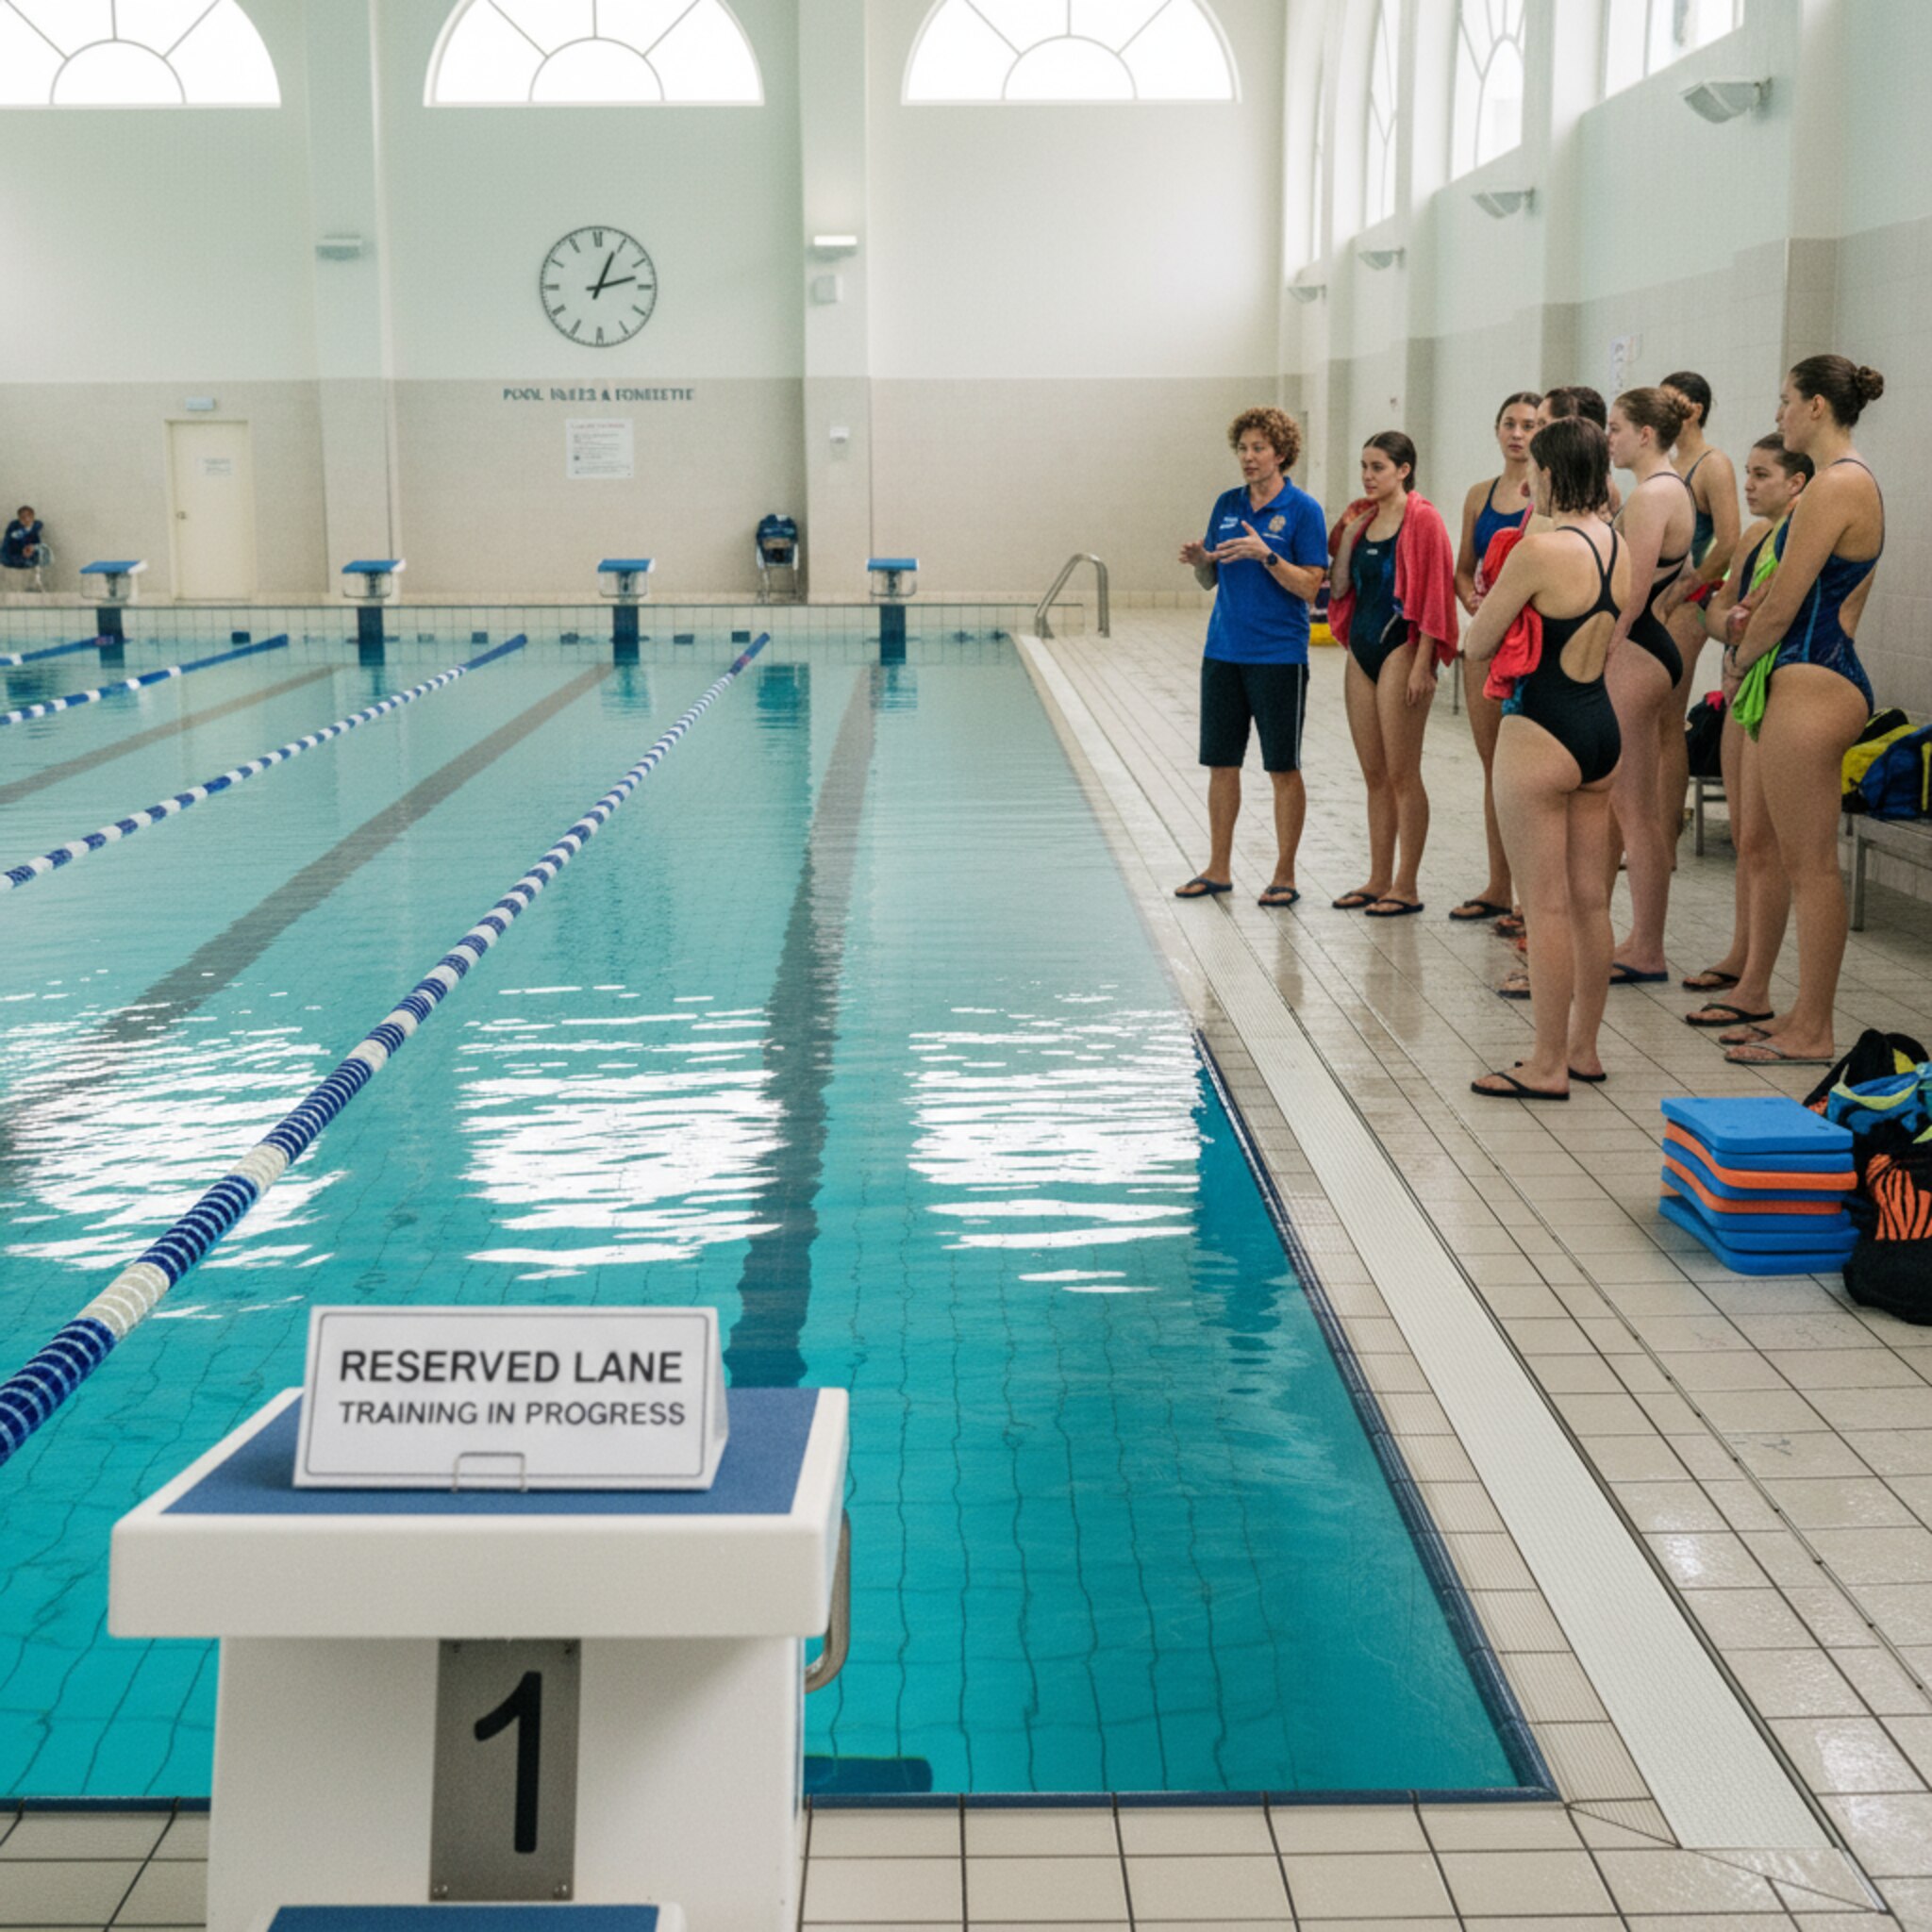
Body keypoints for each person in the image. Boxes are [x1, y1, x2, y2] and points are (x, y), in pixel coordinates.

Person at [1718, 356, 1886, 1068]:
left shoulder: (1835, 485)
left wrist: (1739, 658)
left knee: (1812, 865)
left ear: (1817, 407)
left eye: (1786, 401)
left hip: (1813, 683)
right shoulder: (1844, 485)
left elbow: (1786, 602)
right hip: (1814, 675)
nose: (1779, 413)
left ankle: (1815, 1029)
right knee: (1798, 858)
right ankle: (1799, 1013)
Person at [1464, 418, 1630, 1099]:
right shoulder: (1614, 543)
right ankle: (1584, 1051)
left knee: (1547, 908)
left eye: (1534, 466)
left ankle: (1546, 1063)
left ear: (1551, 474)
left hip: (1540, 730)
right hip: (1599, 727)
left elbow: (1477, 643)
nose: (1525, 477)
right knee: (1592, 903)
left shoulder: (1541, 552)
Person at [1682, 437, 1812, 1025]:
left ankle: (1757, 980)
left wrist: (1744, 632)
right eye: (1749, 474)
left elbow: (1786, 615)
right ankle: (1741, 955)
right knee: (1744, 833)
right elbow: (1720, 608)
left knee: (1767, 842)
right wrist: (1731, 626)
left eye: (1762, 475)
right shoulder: (1756, 537)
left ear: (1797, 484)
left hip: (1777, 686)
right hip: (1740, 683)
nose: (1750, 486)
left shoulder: (1807, 538)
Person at [1175, 407, 1328, 907]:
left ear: (1280, 453)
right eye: (1242, 448)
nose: (1248, 457)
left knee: (1282, 767)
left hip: (1279, 656)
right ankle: (1218, 867)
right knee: (1222, 764)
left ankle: (1284, 873)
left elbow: (1310, 586)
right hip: (1223, 651)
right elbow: (1211, 579)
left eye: (1258, 448)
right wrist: (1203, 562)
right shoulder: (1226, 503)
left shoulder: (1304, 510)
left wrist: (1267, 554)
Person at [1327, 432, 1460, 918]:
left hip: (1402, 648)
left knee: (1404, 773)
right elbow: (1339, 587)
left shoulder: (1422, 519)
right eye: (1364, 465)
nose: (1367, 475)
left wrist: (1424, 663)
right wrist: (1344, 534)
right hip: (1360, 649)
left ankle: (1406, 884)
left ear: (1404, 470)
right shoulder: (1362, 518)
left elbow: (1433, 594)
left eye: (1378, 467)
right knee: (1374, 774)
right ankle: (1378, 877)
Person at [1602, 386, 1695, 984]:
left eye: (1614, 428)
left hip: (1634, 650)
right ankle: (1641, 939)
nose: (1607, 437)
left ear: (1644, 435)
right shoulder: (1666, 491)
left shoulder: (1655, 494)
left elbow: (1629, 593)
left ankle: (1648, 948)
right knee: (1630, 807)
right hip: (1647, 645)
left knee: (1635, 811)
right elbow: (1681, 574)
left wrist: (1598, 655)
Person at [1450, 391, 1541, 923]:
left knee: (1526, 773)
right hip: (1488, 639)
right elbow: (1465, 568)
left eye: (1529, 425)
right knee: (1494, 769)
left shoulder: (1549, 497)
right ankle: (1498, 885)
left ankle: (1534, 898)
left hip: (1531, 644)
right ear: (1496, 429)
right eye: (1509, 423)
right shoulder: (1479, 495)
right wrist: (1473, 601)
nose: (1517, 434)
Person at [1658, 372, 1740, 855]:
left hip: (1690, 603)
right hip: (1660, 600)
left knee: (1669, 721)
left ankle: (1666, 838)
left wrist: (1688, 587)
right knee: (1649, 722)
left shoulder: (1714, 465)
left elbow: (1728, 542)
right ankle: (1653, 828)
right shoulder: (1668, 464)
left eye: (1670, 402)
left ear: (1695, 409)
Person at [1, 507, 44, 580]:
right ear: (19, 519)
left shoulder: (35, 528)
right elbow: (8, 545)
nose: (27, 519)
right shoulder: (14, 529)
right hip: (12, 558)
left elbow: (38, 544)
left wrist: (32, 549)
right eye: (23, 517)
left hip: (30, 558)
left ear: (33, 517)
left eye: (29, 516)